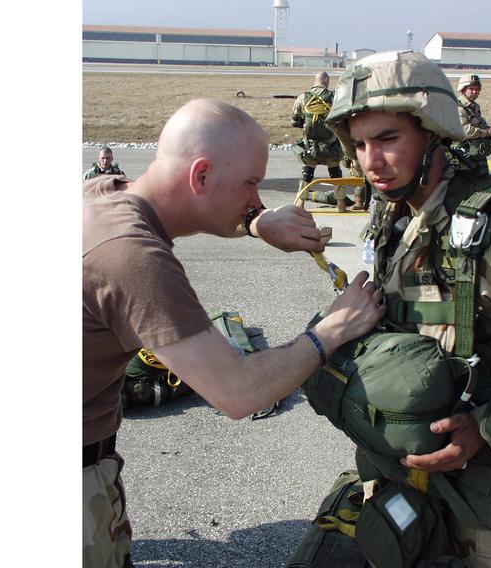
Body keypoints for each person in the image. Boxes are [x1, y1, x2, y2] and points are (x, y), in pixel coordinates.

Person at [82, 98, 386, 568]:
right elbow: (239, 392)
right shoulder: (134, 258)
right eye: (251, 184)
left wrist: (256, 222)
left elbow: (190, 206)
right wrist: (332, 329)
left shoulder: (103, 193)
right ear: (201, 175)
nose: (256, 197)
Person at [320, 50, 491, 567]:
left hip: (490, 497)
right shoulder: (392, 218)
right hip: (405, 480)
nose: (371, 161)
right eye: (360, 144)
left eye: (388, 139)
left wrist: (488, 428)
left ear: (432, 133)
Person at [291, 71, 347, 212]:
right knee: (335, 173)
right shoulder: (334, 97)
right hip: (331, 151)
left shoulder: (303, 97)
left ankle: (300, 203)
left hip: (310, 151)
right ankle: (341, 203)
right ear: (326, 80)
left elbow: (295, 121)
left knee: (307, 172)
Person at [455, 74, 491, 173]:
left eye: (477, 89)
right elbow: (465, 131)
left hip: (475, 153)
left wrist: (488, 129)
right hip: (461, 154)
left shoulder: (474, 106)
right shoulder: (458, 107)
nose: (475, 91)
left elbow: (479, 122)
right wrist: (485, 133)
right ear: (463, 89)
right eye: (471, 88)